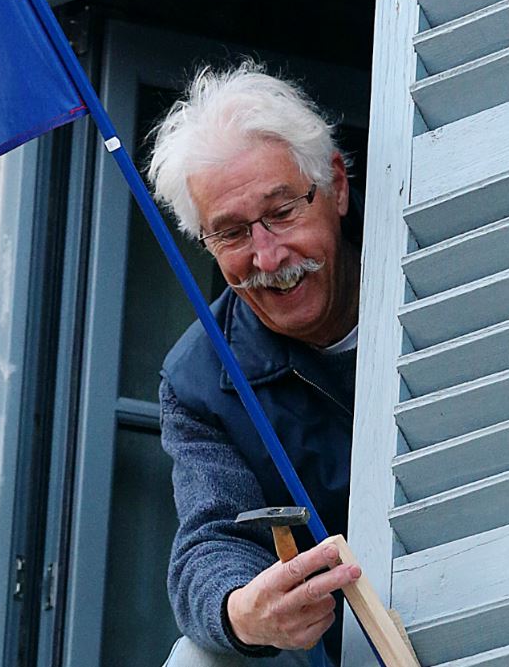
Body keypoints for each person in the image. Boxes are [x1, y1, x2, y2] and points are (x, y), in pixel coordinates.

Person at [149, 62, 363, 666]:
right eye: (233, 233)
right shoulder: (197, 380)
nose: (268, 256)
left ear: (338, 188)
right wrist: (239, 610)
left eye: (283, 211)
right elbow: (212, 537)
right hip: (337, 641)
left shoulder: (430, 259)